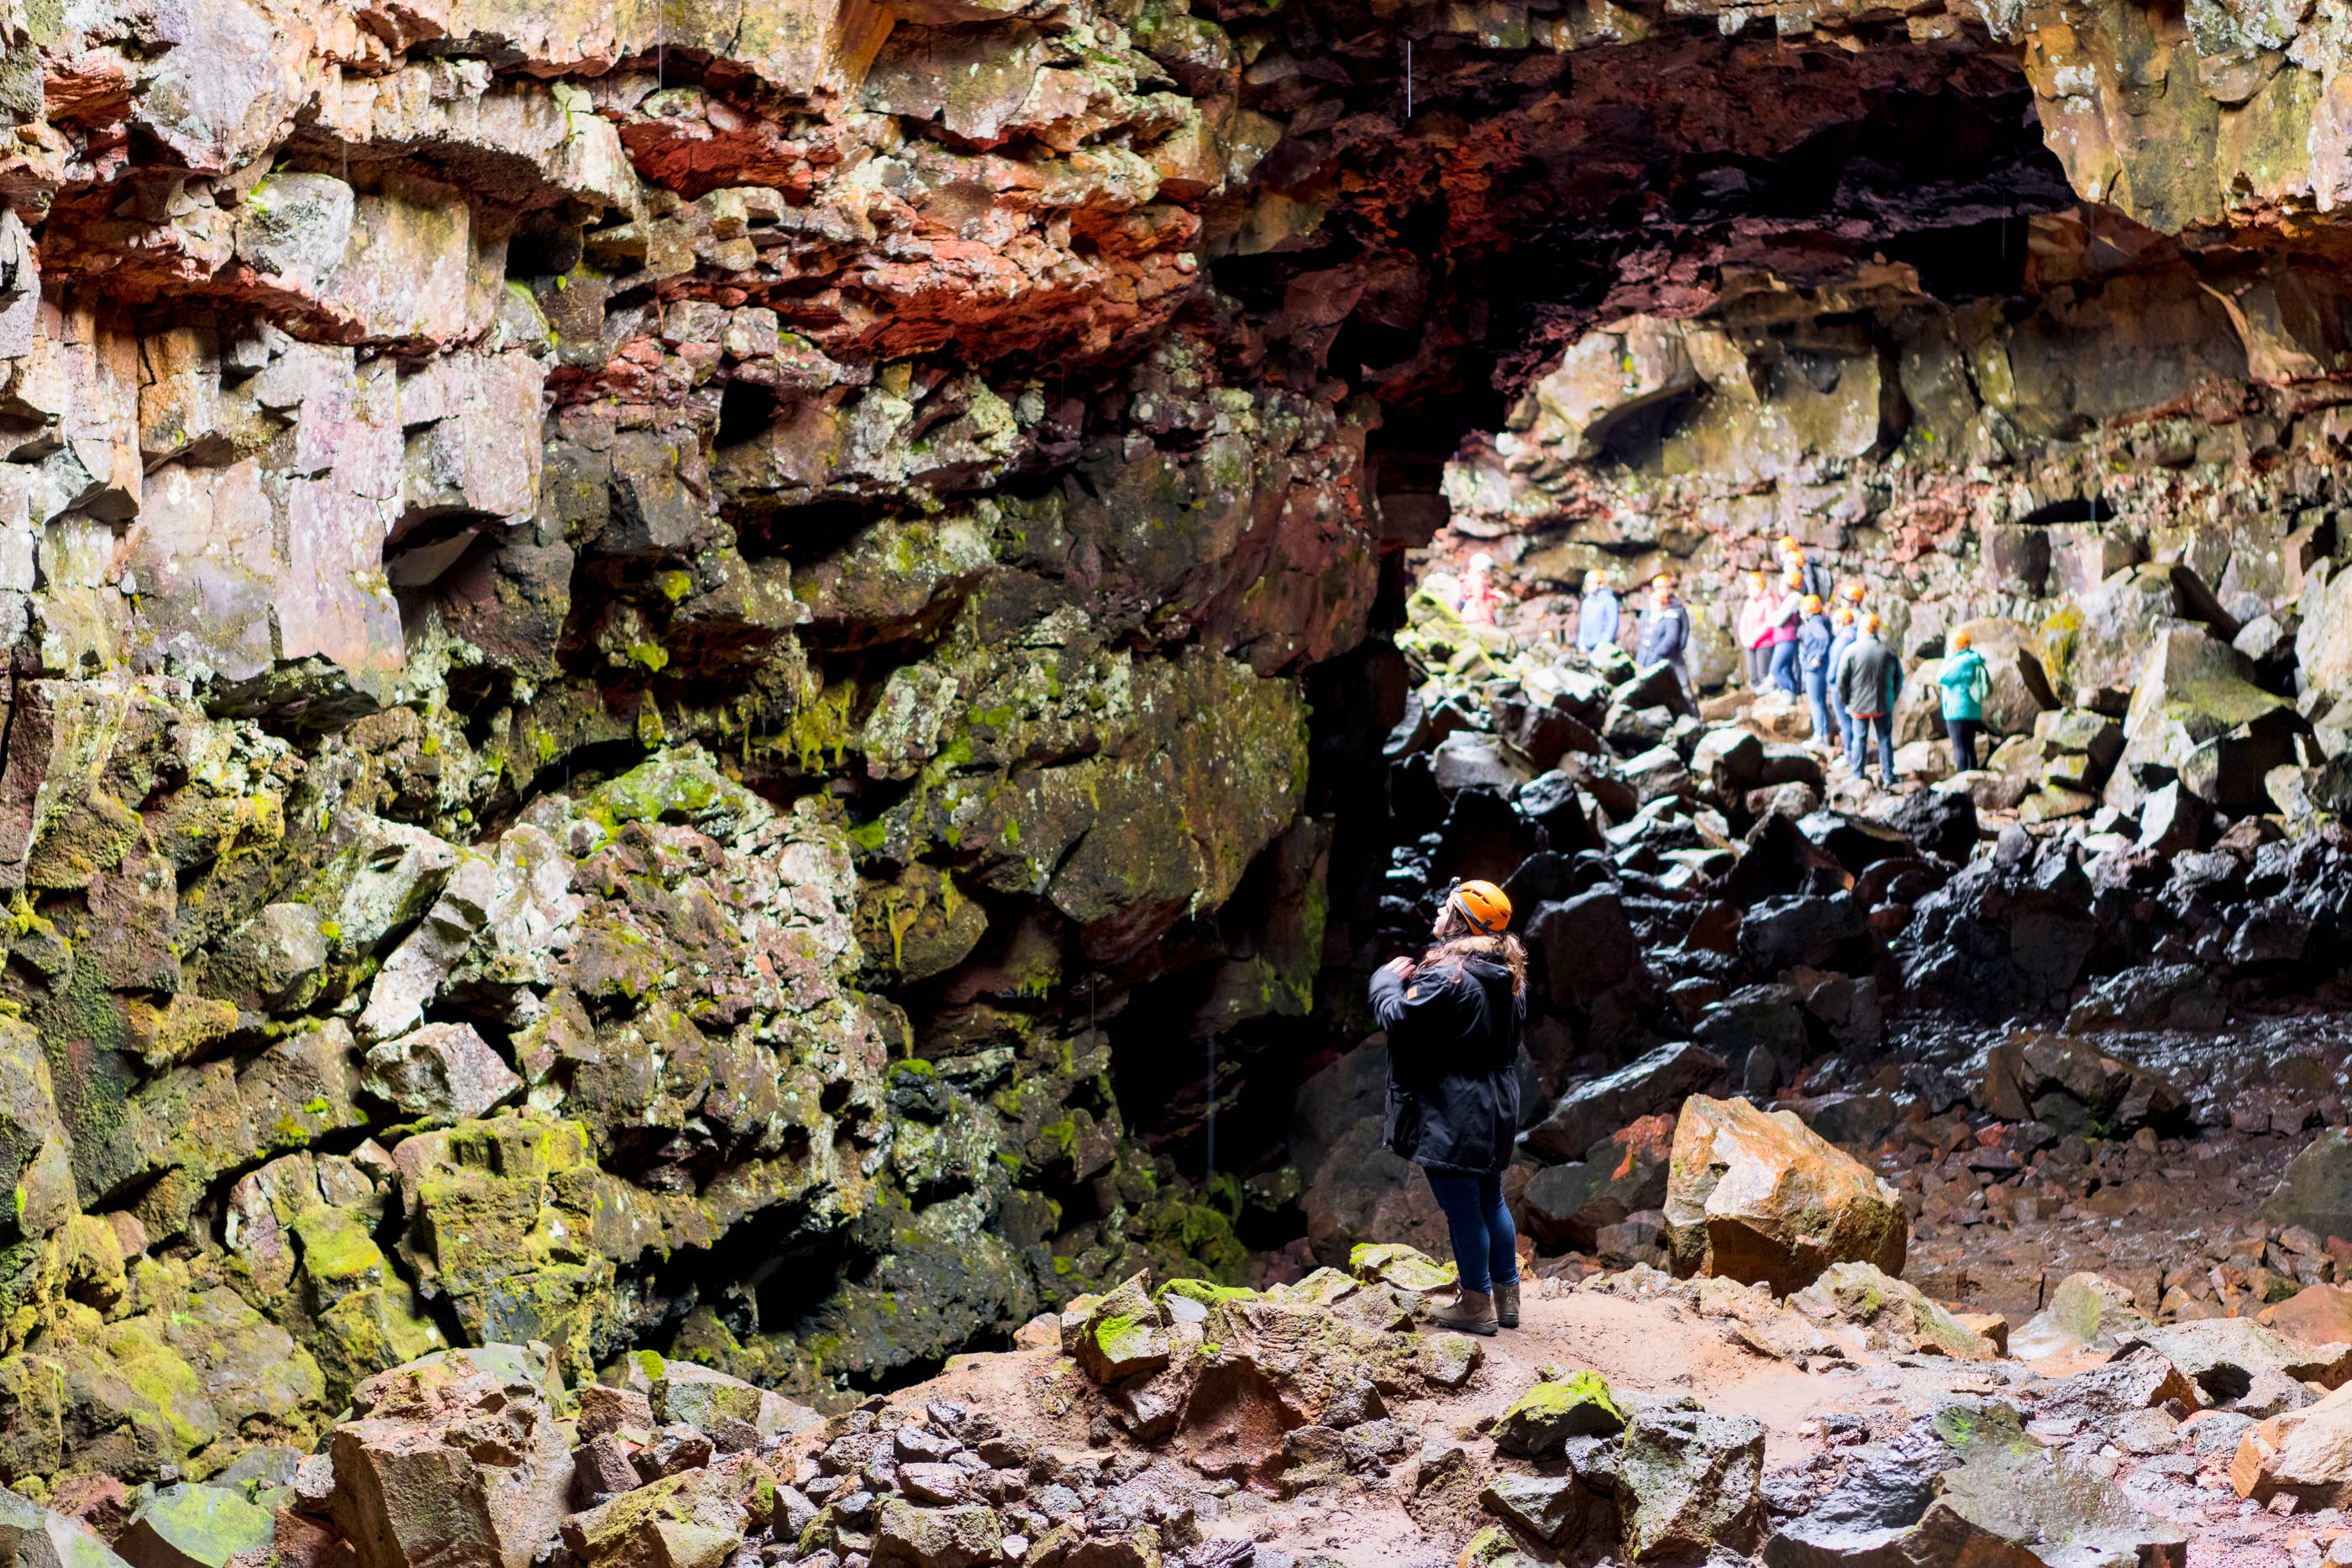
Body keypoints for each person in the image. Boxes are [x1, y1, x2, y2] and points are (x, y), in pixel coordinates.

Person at [1371, 880, 1526, 1335]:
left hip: (1457, 1107)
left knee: (1462, 1207)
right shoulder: (1509, 972)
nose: (1438, 913)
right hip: (1497, 1102)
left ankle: (1475, 1304)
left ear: (1462, 922)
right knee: (1490, 1197)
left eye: (1446, 908)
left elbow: (1401, 1020)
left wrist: (1383, 984)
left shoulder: (1448, 975)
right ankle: (1507, 1298)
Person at [1834, 612, 1902, 788]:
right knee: (1884, 738)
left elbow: (1841, 680)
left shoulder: (1851, 651)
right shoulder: (1888, 652)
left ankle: (1857, 774)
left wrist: (1846, 700)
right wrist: (1891, 698)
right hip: (1883, 704)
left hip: (1858, 705)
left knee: (1859, 738)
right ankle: (1888, 776)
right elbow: (1899, 678)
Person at [1939, 627, 1991, 773]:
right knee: (1969, 748)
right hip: (1972, 710)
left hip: (1957, 711)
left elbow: (1942, 677)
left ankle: (1963, 781)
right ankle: (1972, 777)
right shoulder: (1972, 659)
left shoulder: (1960, 661)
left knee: (1960, 748)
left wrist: (1949, 655)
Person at [1635, 573, 1691, 695]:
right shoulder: (1650, 607)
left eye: (1665, 587)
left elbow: (1684, 628)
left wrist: (1679, 646)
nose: (1663, 591)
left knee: (1680, 680)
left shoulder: (1676, 608)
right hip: (1651, 651)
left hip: (1673, 653)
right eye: (1658, 588)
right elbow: (1644, 628)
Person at [1796, 594, 1834, 743]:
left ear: (1810, 611)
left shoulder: (1815, 623)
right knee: (1820, 701)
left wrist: (1817, 657)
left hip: (1815, 670)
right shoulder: (1819, 621)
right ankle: (1823, 734)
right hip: (1818, 668)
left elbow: (1824, 638)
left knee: (1815, 701)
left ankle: (1819, 735)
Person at [1825, 603, 1859, 761]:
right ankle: (1852, 753)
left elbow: (1835, 667)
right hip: (1849, 685)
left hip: (1839, 686)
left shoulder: (1842, 641)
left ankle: (1849, 755)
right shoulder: (1855, 635)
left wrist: (1829, 681)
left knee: (1844, 721)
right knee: (1850, 720)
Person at [1736, 569, 1776, 687]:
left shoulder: (1769, 601)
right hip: (1749, 644)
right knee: (1753, 675)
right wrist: (1745, 639)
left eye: (1752, 586)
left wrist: (1754, 639)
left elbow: (1769, 623)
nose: (1750, 589)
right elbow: (1742, 622)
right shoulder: (1749, 602)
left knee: (1763, 674)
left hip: (1764, 644)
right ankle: (1757, 694)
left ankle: (1767, 697)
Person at [1767, 569, 1805, 694]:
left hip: (1787, 638)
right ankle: (1793, 692)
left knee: (1776, 668)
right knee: (1785, 668)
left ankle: (1788, 691)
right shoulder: (1788, 598)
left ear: (1789, 586)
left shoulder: (1794, 598)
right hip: (1784, 638)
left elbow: (1777, 620)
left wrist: (1773, 617)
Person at [1778, 536, 1835, 603]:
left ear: (1790, 550)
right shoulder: (1791, 565)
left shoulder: (1802, 563)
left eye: (1783, 552)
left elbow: (1810, 586)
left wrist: (1810, 603)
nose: (1781, 557)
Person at [1576, 568, 1620, 653]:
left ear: (1601, 584)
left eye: (1591, 582)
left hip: (1601, 646)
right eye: (1587, 583)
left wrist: (1604, 642)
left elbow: (1612, 623)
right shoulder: (1586, 603)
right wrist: (1581, 643)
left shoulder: (1609, 600)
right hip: (1587, 646)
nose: (1588, 585)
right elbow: (1583, 625)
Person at [1456, 553, 1499, 626]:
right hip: (1476, 619)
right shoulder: (1477, 579)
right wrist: (1486, 621)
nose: (1489, 570)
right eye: (1488, 568)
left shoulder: (1469, 577)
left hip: (1471, 617)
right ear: (1483, 568)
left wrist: (1494, 594)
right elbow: (1477, 599)